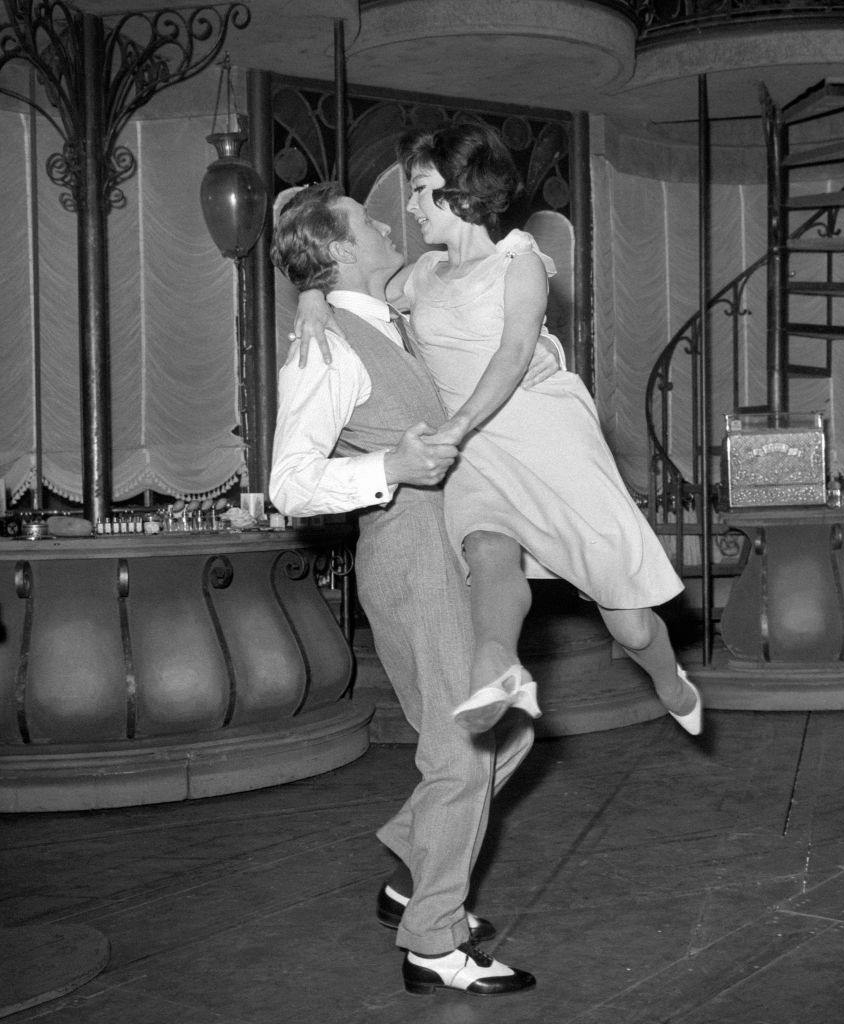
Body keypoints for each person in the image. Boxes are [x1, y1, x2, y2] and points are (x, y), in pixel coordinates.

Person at [294, 122, 702, 738]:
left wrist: (453, 429)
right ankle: (498, 668)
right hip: (474, 447)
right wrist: (309, 298)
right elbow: (357, 287)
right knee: (487, 549)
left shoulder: (520, 261)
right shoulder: (423, 274)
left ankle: (671, 682)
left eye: (421, 188)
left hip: (544, 434)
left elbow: (513, 355)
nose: (409, 206)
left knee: (631, 623)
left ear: (460, 191)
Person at [269, 182, 540, 996]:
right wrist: (388, 467)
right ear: (343, 245)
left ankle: (413, 867)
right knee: (464, 744)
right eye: (366, 218)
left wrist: (311, 289)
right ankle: (433, 938)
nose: (388, 221)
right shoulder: (327, 347)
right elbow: (290, 483)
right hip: (408, 546)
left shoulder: (382, 312)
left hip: (450, 541)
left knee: (510, 731)